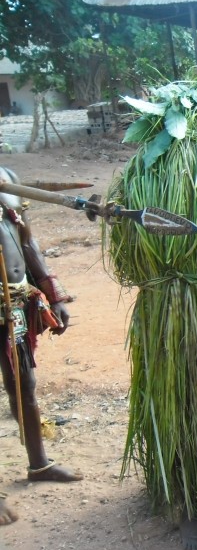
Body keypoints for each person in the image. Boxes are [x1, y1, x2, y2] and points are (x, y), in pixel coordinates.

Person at [0, 166, 82, 528]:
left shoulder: (6, 175)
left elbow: (27, 241)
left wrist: (53, 293)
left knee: (25, 387)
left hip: (14, 303)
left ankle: (39, 464)